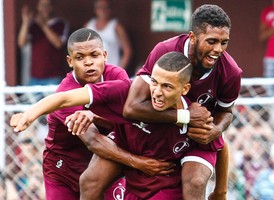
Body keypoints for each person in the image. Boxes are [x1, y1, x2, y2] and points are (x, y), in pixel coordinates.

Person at [10, 52, 214, 199]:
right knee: (89, 181)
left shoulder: (195, 117)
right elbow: (64, 98)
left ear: (185, 89)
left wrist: (220, 191)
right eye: (154, 82)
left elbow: (217, 145)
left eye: (167, 86)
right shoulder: (127, 91)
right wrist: (29, 115)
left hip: (160, 181)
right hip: (99, 164)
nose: (157, 92)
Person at [12, 27, 172, 200]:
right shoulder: (66, 91)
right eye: (80, 57)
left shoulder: (118, 76)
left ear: (104, 55)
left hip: (104, 164)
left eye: (94, 55)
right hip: (63, 171)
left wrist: (94, 116)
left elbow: (125, 119)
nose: (88, 62)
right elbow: (93, 140)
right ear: (70, 61)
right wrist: (139, 163)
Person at [122, 4, 242, 199]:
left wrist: (216, 130)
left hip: (196, 139)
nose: (218, 49)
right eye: (211, 41)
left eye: (224, 42)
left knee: (195, 181)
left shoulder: (231, 72)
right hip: (158, 131)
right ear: (192, 37)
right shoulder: (165, 50)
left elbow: (227, 112)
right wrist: (185, 116)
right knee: (93, 179)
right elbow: (132, 107)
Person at [17, 0, 69, 86]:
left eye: (47, 5)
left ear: (52, 7)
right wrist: (26, 22)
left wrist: (43, 25)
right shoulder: (33, 25)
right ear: (38, 7)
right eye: (42, 5)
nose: (44, 8)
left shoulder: (60, 23)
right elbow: (21, 43)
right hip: (35, 78)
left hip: (54, 77)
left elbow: (58, 44)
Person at [85, 0, 132, 70]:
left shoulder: (116, 27)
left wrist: (118, 71)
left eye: (105, 7)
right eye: (99, 7)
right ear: (95, 9)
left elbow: (127, 51)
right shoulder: (88, 26)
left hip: (110, 71)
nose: (102, 10)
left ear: (110, 9)